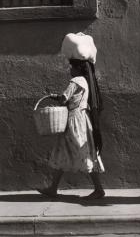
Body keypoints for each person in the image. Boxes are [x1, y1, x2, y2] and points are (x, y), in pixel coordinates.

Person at [37, 58, 105, 200]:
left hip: (74, 121)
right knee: (64, 151)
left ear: (77, 69)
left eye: (71, 67)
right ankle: (53, 188)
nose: (70, 70)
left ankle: (98, 189)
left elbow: (64, 98)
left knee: (82, 152)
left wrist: (54, 96)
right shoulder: (87, 81)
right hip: (81, 119)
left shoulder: (76, 81)